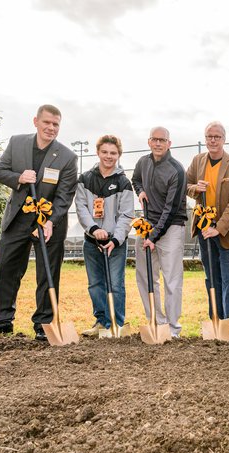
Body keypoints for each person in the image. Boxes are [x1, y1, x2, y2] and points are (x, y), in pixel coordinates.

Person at [0, 104, 77, 341]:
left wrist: (51, 221)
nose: (51, 128)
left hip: (49, 223)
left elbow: (65, 195)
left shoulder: (67, 157)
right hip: (18, 219)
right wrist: (18, 178)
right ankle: (2, 321)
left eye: (56, 124)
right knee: (7, 270)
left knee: (48, 273)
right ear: (36, 121)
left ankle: (44, 324)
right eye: (47, 123)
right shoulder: (17, 143)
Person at [186, 122, 229, 341]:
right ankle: (215, 322)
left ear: (224, 139)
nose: (213, 140)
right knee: (211, 277)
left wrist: (217, 228)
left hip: (225, 232)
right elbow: (186, 184)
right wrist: (195, 188)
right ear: (205, 138)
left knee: (228, 279)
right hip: (203, 230)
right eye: (209, 136)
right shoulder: (197, 161)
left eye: (217, 137)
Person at [75, 135, 134, 338]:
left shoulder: (123, 182)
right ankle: (101, 322)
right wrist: (93, 229)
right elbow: (81, 207)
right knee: (95, 283)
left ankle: (115, 324)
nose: (109, 156)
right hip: (92, 241)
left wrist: (115, 239)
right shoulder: (85, 179)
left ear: (118, 155)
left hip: (115, 243)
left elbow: (126, 214)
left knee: (115, 284)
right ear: (98, 152)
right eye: (105, 152)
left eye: (113, 153)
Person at [131, 127, 187, 338]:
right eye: (154, 139)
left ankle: (172, 329)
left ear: (169, 143)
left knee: (172, 279)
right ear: (149, 141)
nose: (158, 143)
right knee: (144, 277)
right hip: (147, 223)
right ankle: (156, 322)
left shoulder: (177, 170)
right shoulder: (142, 162)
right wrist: (140, 191)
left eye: (162, 140)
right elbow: (135, 179)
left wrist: (153, 237)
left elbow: (170, 210)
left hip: (171, 227)